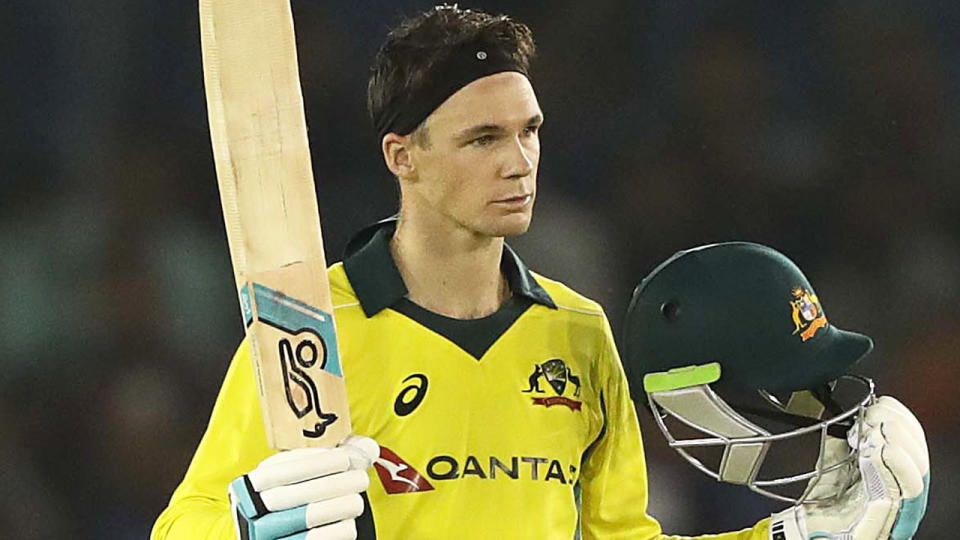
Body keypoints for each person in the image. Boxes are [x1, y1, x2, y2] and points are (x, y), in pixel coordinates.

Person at [152, 6, 928, 540]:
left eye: (530, 132)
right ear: (403, 156)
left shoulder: (578, 331)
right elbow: (183, 526)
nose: (519, 162)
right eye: (483, 138)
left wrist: (793, 536)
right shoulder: (311, 332)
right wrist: (247, 525)